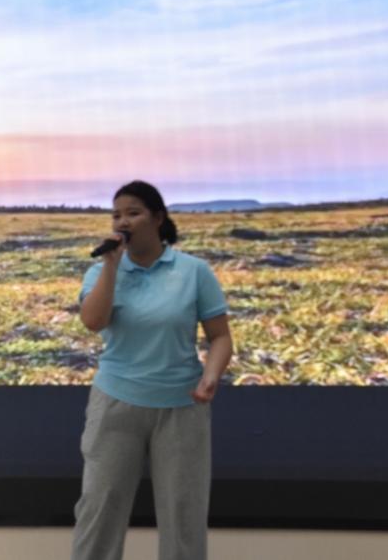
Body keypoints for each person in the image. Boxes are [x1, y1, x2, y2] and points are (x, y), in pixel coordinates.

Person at [71, 180, 234, 560]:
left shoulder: (194, 271)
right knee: (100, 509)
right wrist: (111, 266)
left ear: (158, 218)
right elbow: (93, 321)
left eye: (133, 213)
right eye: (116, 215)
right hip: (115, 405)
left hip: (181, 407)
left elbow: (220, 337)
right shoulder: (100, 272)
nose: (122, 222)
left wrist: (211, 375)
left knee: (183, 513)